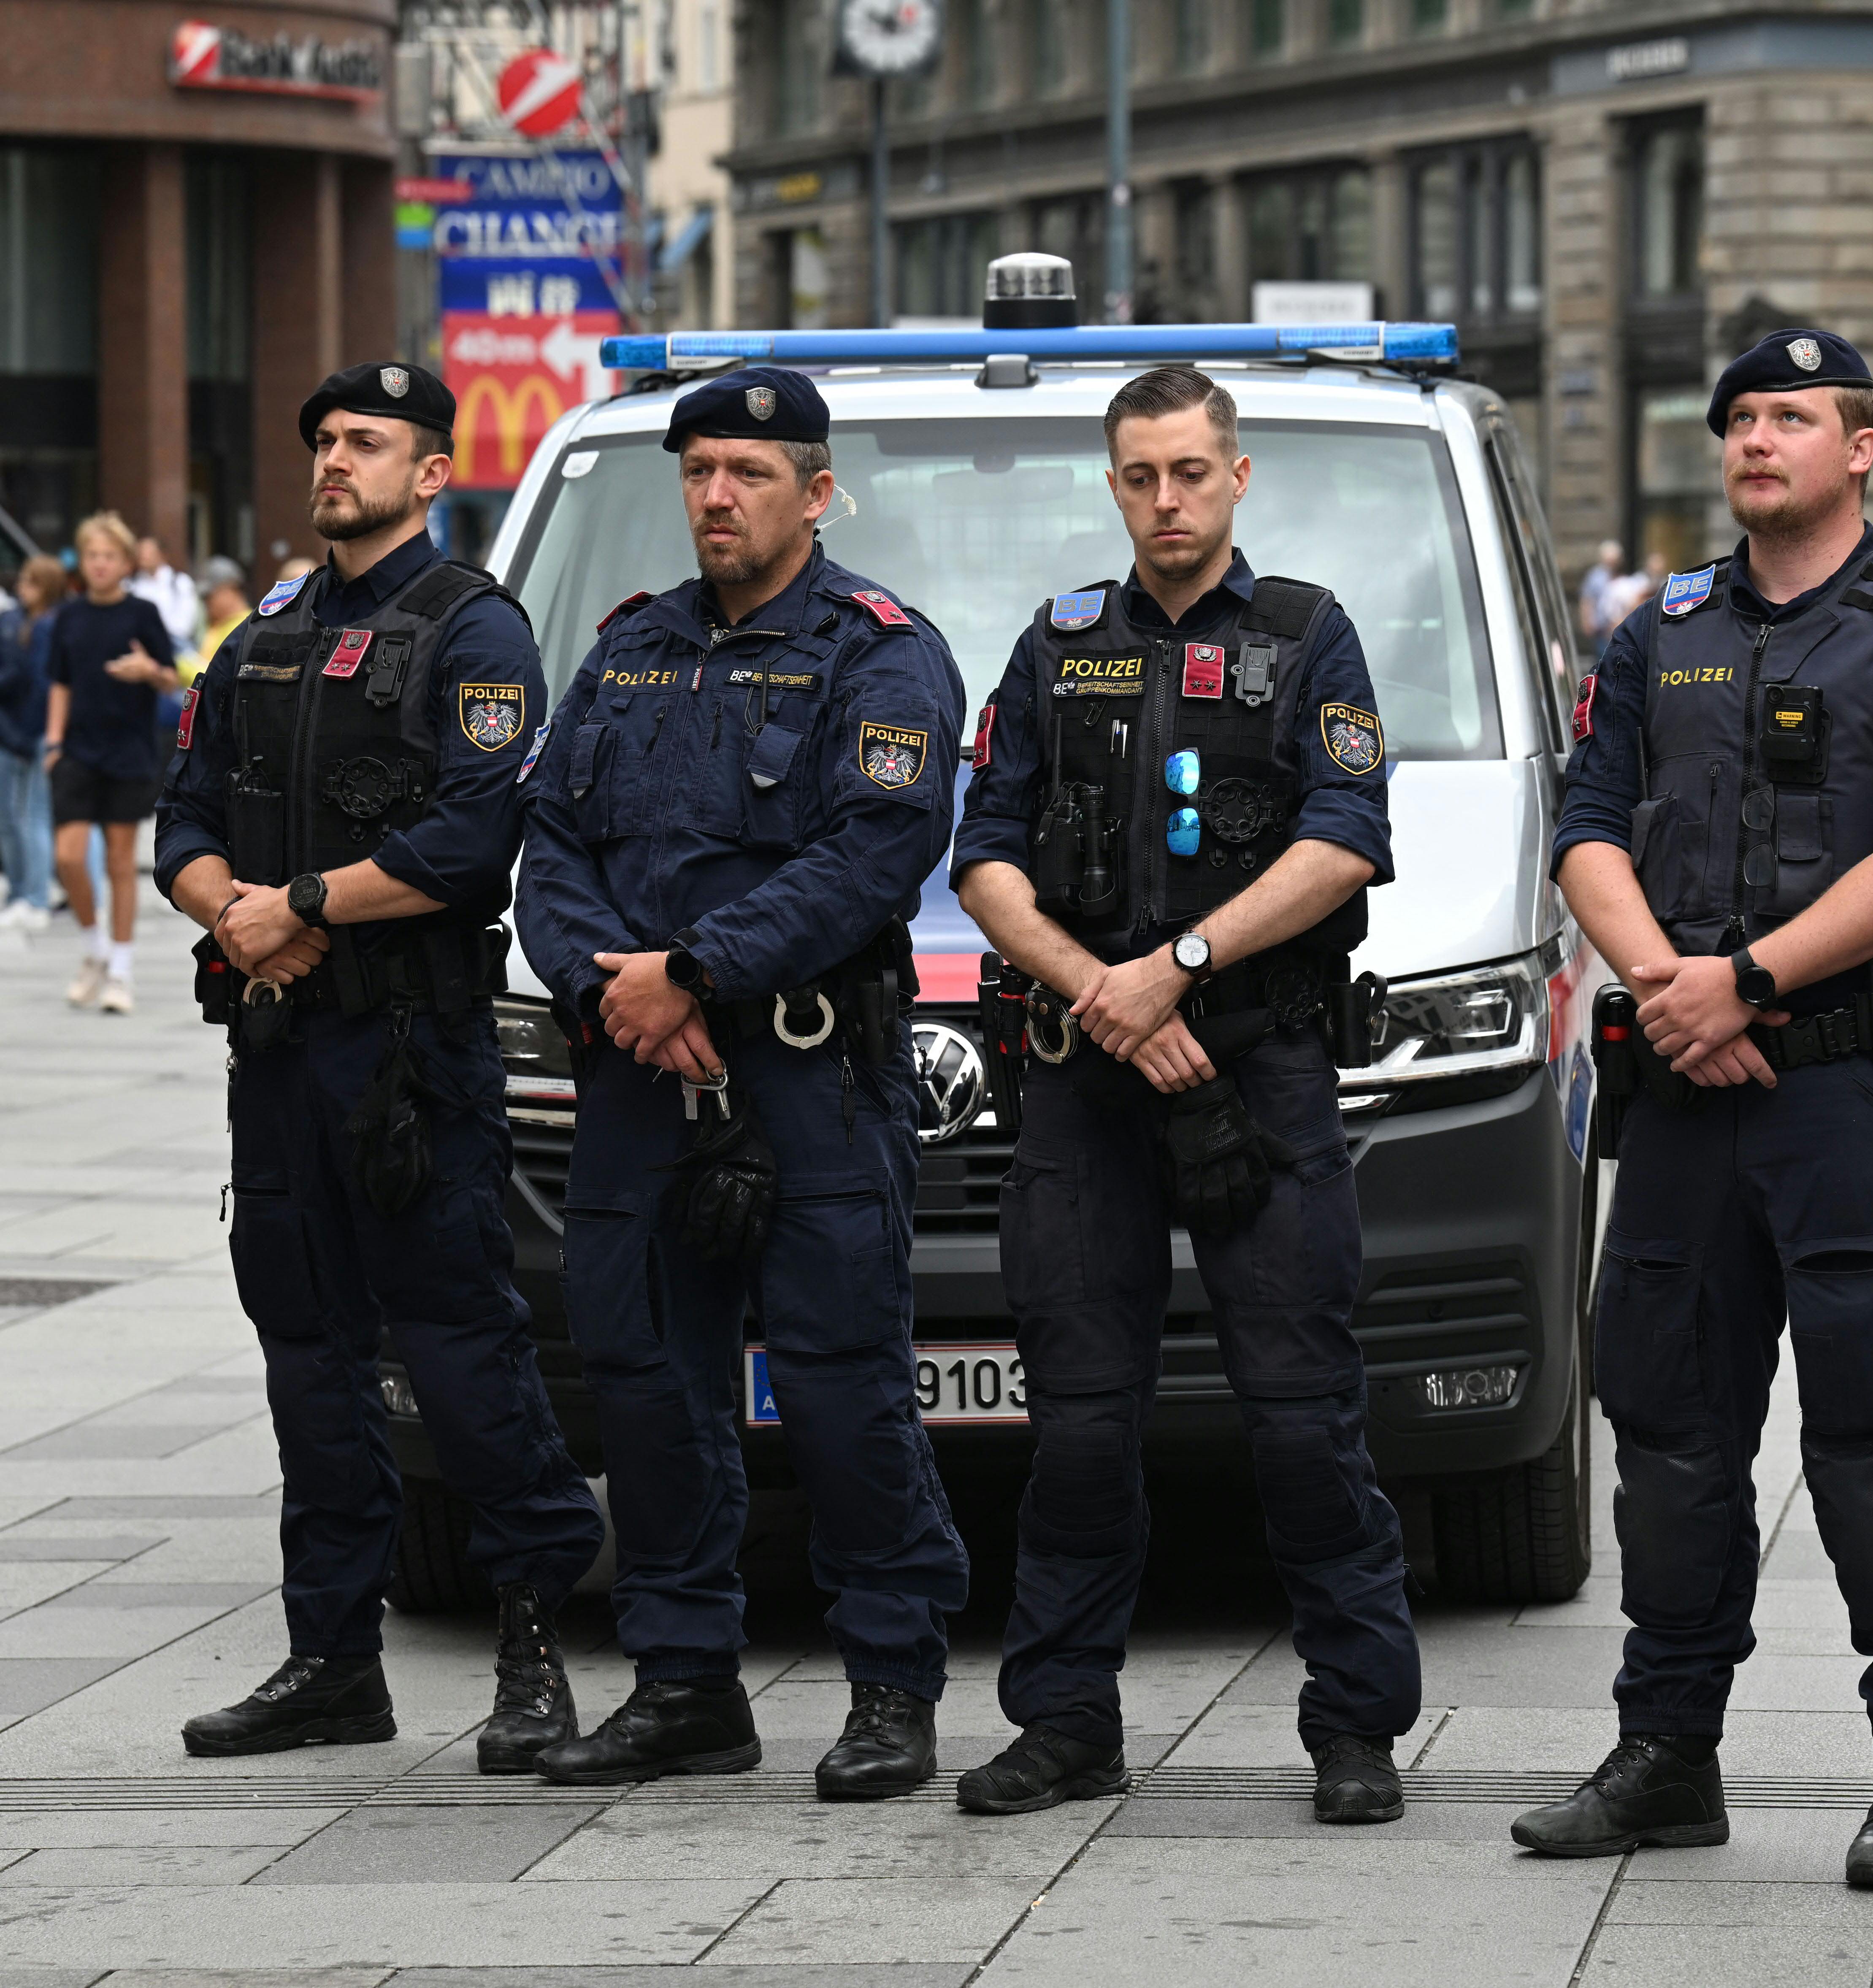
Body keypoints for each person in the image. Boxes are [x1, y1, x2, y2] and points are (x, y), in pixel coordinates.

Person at [1511, 327, 1873, 1886]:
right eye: (1738, 417)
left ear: (1859, 445)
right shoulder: (1655, 629)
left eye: (1791, 415)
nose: (1754, 438)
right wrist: (1671, 982)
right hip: (1679, 1095)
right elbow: (1583, 821)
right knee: (1663, 1430)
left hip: (1851, 1091)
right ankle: (1667, 1753)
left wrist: (1748, 983)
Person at [950, 364, 1419, 1827]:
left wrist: (1180, 966)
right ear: (1112, 486)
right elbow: (985, 852)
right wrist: (1107, 992)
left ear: (1236, 476)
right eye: (1141, 476)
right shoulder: (1057, 642)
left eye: (1190, 473)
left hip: (1261, 1066)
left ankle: (1354, 1730)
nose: (1167, 499)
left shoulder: (1307, 638)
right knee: (1082, 1423)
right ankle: (1064, 1722)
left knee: (1300, 1415)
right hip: (1089, 1077)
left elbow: (1346, 838)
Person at [518, 366, 972, 1798]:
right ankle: (684, 1681)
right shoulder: (628, 648)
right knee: (648, 1381)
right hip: (642, 1079)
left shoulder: (880, 653)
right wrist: (612, 988)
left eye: (750, 474)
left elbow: (870, 857)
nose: (718, 496)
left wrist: (693, 974)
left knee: (842, 1387)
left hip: (809, 1075)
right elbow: (549, 856)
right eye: (701, 471)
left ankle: (892, 1683)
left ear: (816, 492)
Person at [154, 361, 604, 1769]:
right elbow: (182, 819)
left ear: (428, 473)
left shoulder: (472, 630)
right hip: (280, 1052)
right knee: (309, 1356)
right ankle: (332, 1660)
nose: (334, 460)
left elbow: (475, 844)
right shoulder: (264, 630)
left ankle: (534, 1655)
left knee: (463, 1352)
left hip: (413, 1057)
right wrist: (231, 908)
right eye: (327, 440)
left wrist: (297, 910)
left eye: (368, 443)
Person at [45, 512, 180, 1013]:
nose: (100, 565)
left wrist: (148, 669)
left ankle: (120, 971)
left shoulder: (143, 612)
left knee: (121, 863)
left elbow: (171, 678)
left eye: (109, 556)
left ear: (126, 563)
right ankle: (95, 951)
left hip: (129, 749)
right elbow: (59, 682)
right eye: (92, 556)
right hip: (76, 750)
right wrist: (53, 744)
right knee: (68, 857)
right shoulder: (69, 616)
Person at [0, 559, 58, 933]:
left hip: (38, 732)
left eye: (34, 582)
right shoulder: (14, 620)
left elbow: (43, 684)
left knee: (34, 816)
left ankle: (37, 894)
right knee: (11, 818)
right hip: (12, 730)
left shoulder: (52, 625)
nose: (25, 587)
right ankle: (21, 891)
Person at [129, 533, 201, 654]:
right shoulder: (131, 586)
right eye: (141, 553)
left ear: (161, 555)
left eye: (149, 552)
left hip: (175, 645)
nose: (145, 557)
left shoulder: (180, 582)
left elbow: (185, 624)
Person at [192, 557, 251, 685]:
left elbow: (215, 676)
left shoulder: (246, 626)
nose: (207, 602)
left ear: (231, 590)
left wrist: (177, 663)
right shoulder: (217, 624)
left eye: (210, 596)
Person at [1580, 539, 1627, 660]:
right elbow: (1587, 599)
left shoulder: (1620, 575)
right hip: (1601, 627)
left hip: (1616, 625)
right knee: (1604, 656)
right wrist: (1587, 620)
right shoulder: (1595, 577)